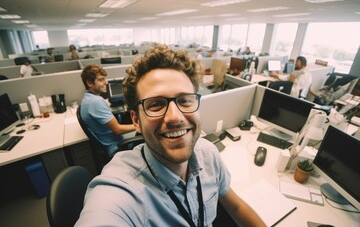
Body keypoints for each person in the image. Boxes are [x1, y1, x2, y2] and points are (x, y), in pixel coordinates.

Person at [75, 44, 266, 226]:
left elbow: (236, 206)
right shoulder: (122, 191)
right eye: (156, 104)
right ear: (135, 120)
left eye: (184, 100)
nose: (175, 117)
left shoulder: (209, 154)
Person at [80, 64, 135, 157]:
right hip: (116, 147)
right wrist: (140, 126)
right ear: (89, 83)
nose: (106, 82)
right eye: (101, 80)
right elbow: (118, 130)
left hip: (109, 142)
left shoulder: (87, 99)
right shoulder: (96, 102)